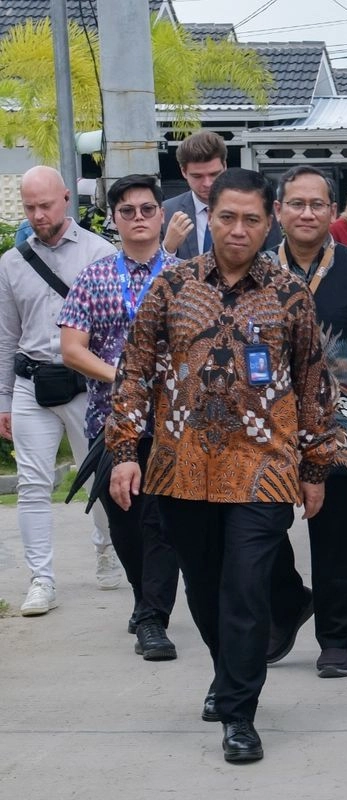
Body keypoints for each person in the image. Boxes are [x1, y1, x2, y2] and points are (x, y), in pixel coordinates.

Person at [107, 168, 340, 762]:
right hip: (181, 466)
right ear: (210, 217)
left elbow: (315, 384)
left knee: (244, 589)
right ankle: (226, 673)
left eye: (252, 219)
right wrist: (124, 452)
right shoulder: (173, 285)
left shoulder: (290, 295)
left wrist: (315, 468)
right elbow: (135, 370)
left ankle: (240, 714)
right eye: (227, 217)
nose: (239, 229)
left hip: (263, 467)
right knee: (206, 591)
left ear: (271, 221)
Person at [267, 166, 347, 678]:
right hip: (267, 424)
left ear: (331, 210)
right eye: (295, 203)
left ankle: (338, 638)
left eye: (317, 204)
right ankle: (288, 600)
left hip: (342, 425)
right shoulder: (257, 272)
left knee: (338, 533)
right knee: (260, 527)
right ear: (278, 212)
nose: (306, 213)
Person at [58, 174, 180, 656]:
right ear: (114, 219)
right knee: (126, 523)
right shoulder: (94, 278)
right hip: (111, 425)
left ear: (161, 214)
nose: (138, 218)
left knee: (162, 523)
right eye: (127, 211)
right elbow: (71, 349)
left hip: (173, 426)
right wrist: (122, 377)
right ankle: (142, 598)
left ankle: (154, 618)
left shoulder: (187, 276)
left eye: (147, 208)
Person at [0, 165, 121, 617]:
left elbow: (115, 330)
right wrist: (4, 399)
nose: (37, 215)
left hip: (86, 385)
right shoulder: (12, 263)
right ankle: (41, 580)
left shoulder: (100, 253)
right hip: (32, 383)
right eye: (29, 207)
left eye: (45, 205)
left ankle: (107, 548)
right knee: (33, 485)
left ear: (66, 198)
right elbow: (6, 337)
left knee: (100, 478)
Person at [161, 130, 281, 259]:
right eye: (197, 176)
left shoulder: (257, 208)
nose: (207, 183)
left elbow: (273, 258)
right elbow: (149, 273)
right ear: (183, 171)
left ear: (224, 166)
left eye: (214, 174)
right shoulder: (167, 212)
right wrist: (168, 249)